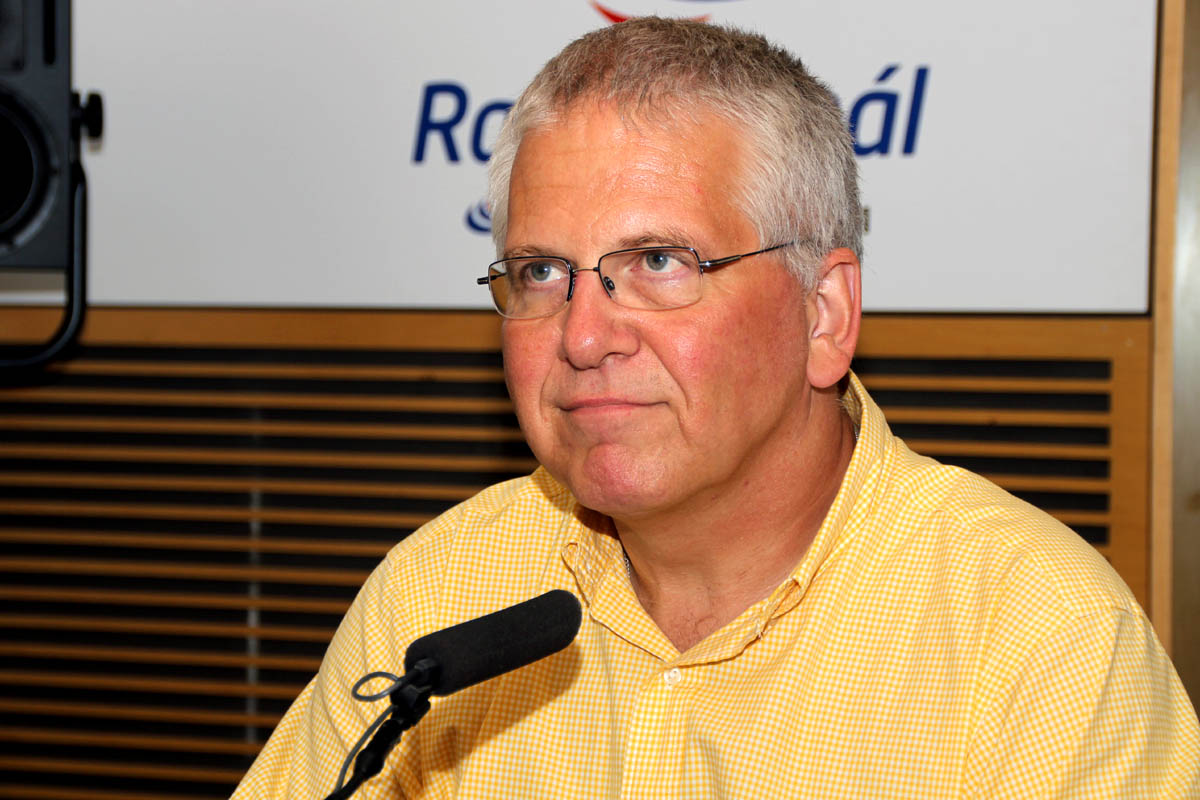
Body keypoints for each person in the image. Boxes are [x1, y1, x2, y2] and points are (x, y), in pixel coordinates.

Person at [234, 17, 1200, 799]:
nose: (582, 337)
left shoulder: (1038, 640)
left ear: (824, 314)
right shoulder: (443, 590)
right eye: (540, 272)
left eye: (659, 262)